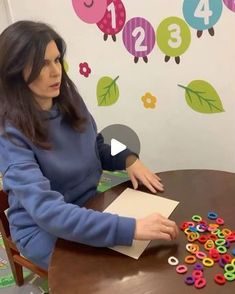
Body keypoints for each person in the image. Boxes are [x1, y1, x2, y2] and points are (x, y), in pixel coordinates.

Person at [0, 21, 178, 270]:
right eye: (42, 64)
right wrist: (130, 228)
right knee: (109, 273)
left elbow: (98, 144)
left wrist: (128, 158)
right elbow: (48, 212)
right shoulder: (10, 134)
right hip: (43, 230)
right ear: (15, 72)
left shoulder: (67, 99)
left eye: (56, 60)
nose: (56, 72)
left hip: (89, 206)